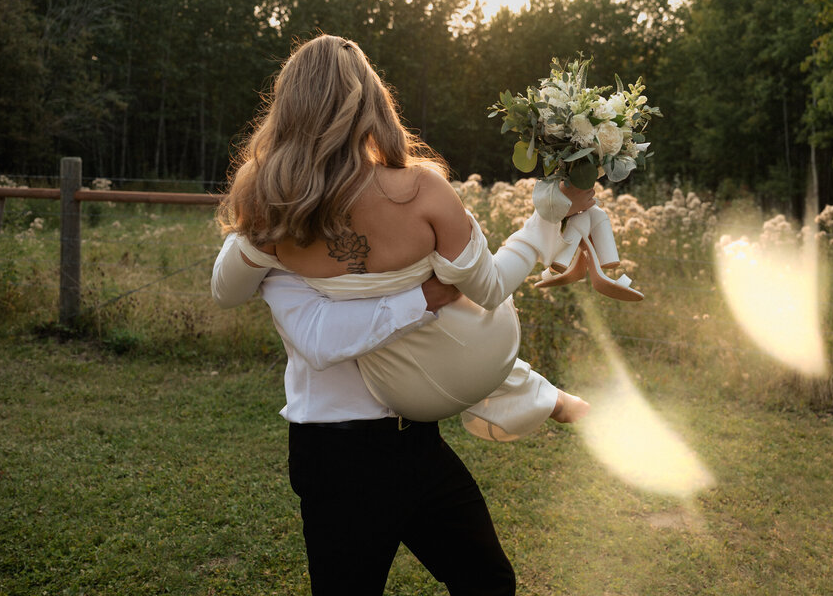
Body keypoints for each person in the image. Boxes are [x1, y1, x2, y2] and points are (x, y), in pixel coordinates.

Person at [211, 34, 592, 595]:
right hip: (336, 448)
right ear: (371, 103)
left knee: (489, 582)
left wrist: (260, 231)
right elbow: (483, 292)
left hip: (415, 437)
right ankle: (543, 396)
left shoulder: (273, 211)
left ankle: (540, 394)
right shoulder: (408, 193)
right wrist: (537, 232)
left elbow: (225, 290)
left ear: (286, 107)